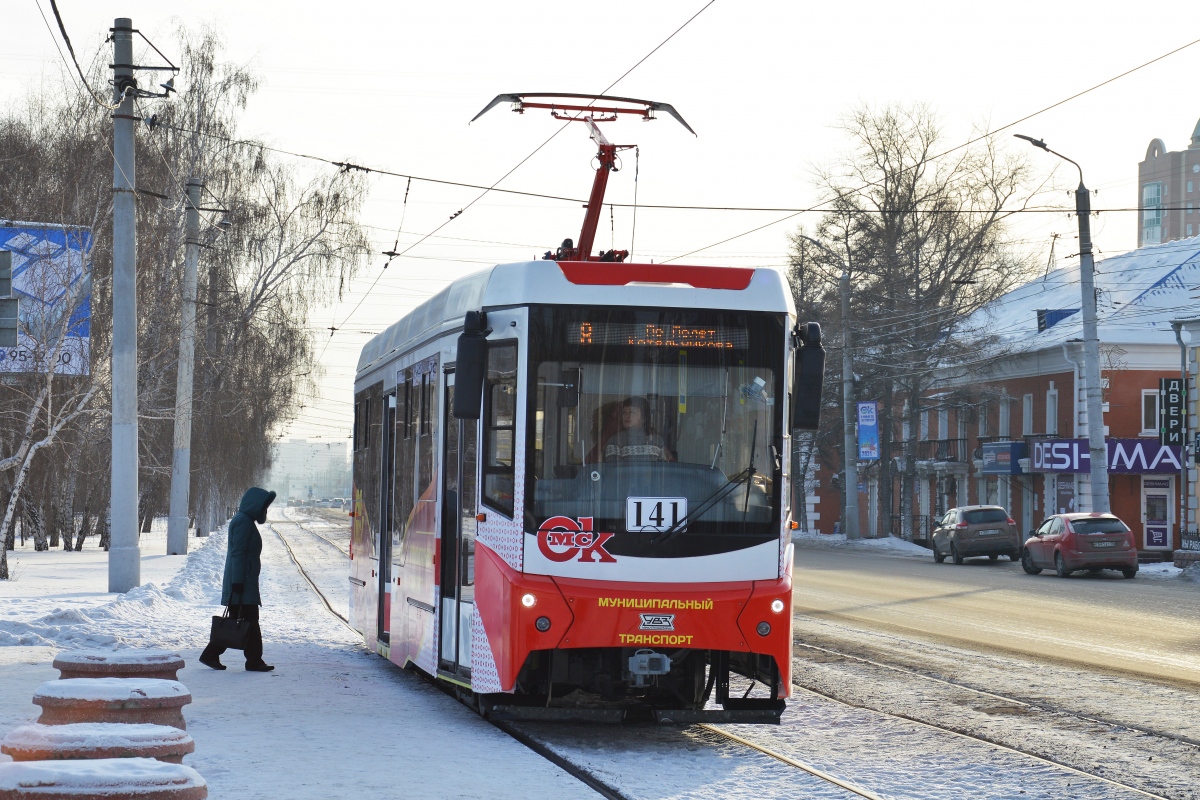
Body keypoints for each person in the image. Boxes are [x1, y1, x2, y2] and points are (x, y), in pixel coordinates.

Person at [200, 487, 276, 672]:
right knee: (247, 621)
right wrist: (238, 583)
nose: (265, 511)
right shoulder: (243, 522)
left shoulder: (245, 521)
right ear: (255, 506)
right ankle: (252, 660)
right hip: (242, 581)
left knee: (241, 621)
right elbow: (238, 554)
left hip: (244, 580)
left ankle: (216, 655)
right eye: (263, 507)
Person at [604, 397, 672, 462]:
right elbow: (612, 471)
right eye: (624, 412)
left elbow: (663, 471)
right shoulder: (614, 441)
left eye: (632, 412)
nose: (627, 416)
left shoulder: (658, 442)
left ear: (644, 417)